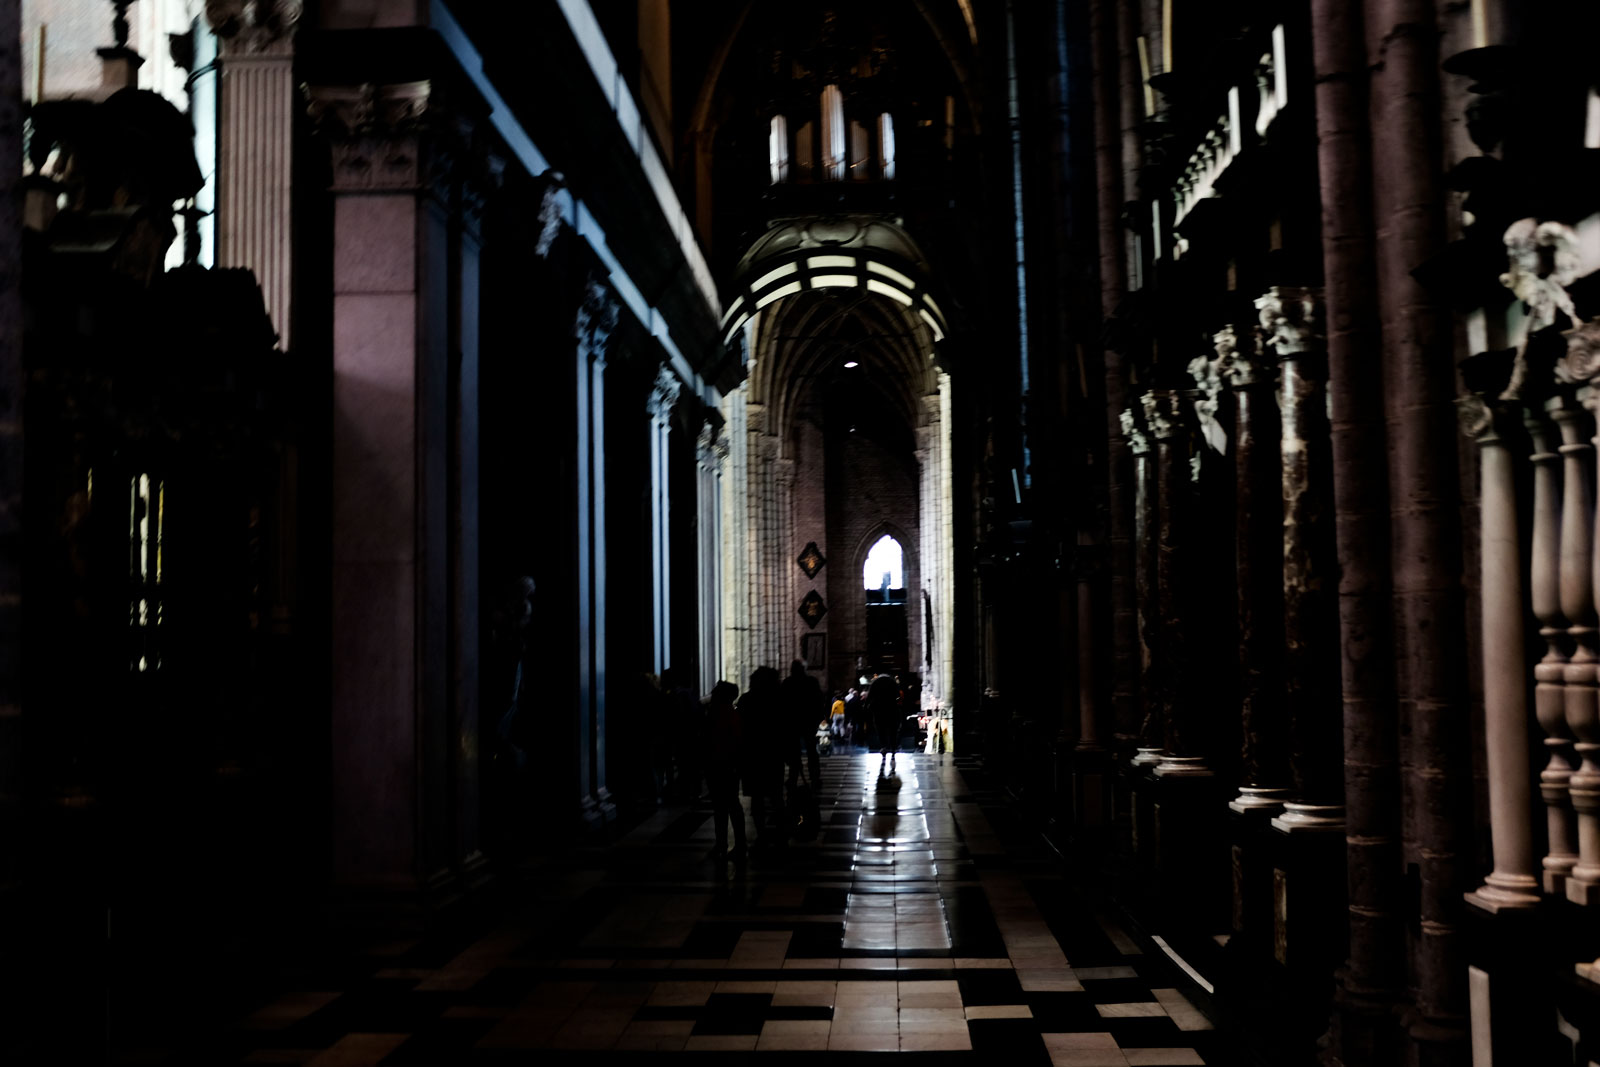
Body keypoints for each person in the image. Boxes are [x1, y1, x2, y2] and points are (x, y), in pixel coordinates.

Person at [738, 666, 786, 849]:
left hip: (753, 756)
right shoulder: (779, 700)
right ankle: (780, 833)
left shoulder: (747, 700)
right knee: (776, 796)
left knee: (757, 799)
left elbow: (741, 727)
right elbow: (785, 727)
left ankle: (762, 833)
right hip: (773, 754)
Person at [702, 680, 746, 861]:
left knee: (728, 806)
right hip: (720, 764)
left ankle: (737, 845)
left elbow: (732, 741)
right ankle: (722, 843)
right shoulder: (722, 713)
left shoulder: (725, 714)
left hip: (724, 765)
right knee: (722, 807)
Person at [780, 659, 823, 788]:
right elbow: (818, 700)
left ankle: (798, 777)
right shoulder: (810, 682)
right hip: (804, 721)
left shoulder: (788, 683)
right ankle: (812, 777)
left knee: (799, 751)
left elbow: (782, 703)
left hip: (795, 721)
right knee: (806, 750)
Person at [868, 671, 902, 771]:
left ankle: (883, 746)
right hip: (892, 710)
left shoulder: (875, 683)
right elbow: (898, 696)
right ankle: (893, 749)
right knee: (893, 731)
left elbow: (870, 697)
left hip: (879, 711)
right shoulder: (892, 683)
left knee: (880, 730)